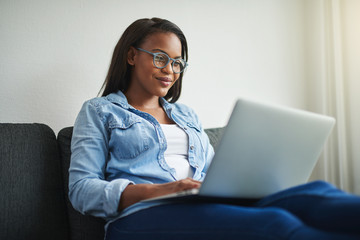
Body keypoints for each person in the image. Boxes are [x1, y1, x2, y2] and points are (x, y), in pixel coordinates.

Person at [69, 17, 360, 240]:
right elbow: (82, 190)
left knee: (317, 194)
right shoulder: (99, 111)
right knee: (276, 223)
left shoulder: (186, 115)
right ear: (132, 56)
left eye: (177, 63)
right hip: (139, 217)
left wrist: (245, 182)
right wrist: (163, 190)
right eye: (160, 58)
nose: (169, 70)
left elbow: (213, 172)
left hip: (202, 203)